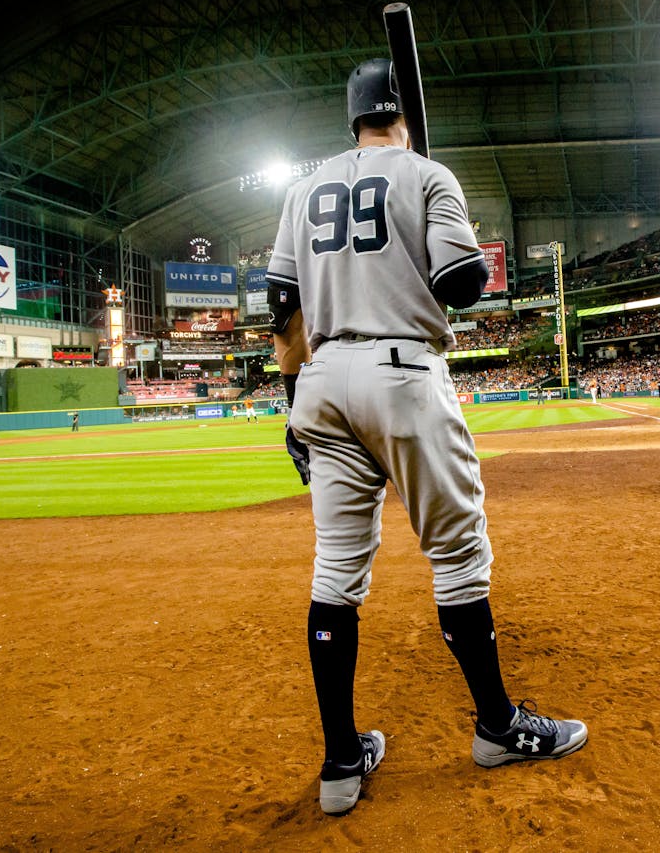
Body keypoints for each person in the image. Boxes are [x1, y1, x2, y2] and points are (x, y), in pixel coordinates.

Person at [266, 58, 587, 817]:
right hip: (404, 371)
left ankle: (341, 761)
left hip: (320, 380)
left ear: (352, 119)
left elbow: (283, 308)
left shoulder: (302, 189)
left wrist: (291, 404)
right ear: (403, 115)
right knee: (457, 550)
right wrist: (453, 227)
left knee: (336, 570)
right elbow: (463, 284)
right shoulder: (428, 174)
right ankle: (497, 726)